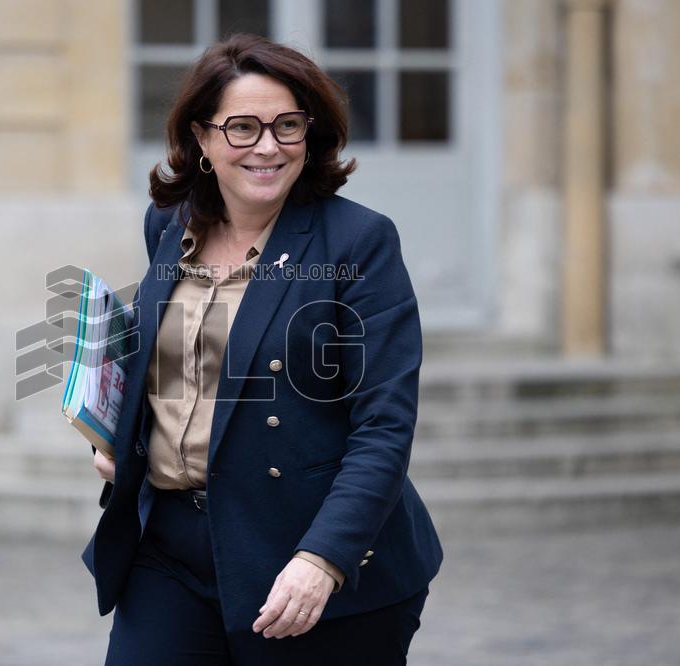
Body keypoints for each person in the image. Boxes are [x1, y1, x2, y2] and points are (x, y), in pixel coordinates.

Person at [81, 33, 442, 665]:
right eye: (242, 128)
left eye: (287, 126)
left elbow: (384, 425)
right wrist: (122, 438)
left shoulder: (358, 242)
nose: (268, 146)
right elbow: (175, 366)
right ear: (202, 138)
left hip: (304, 556)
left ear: (310, 133)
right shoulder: (169, 224)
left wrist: (323, 557)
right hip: (169, 550)